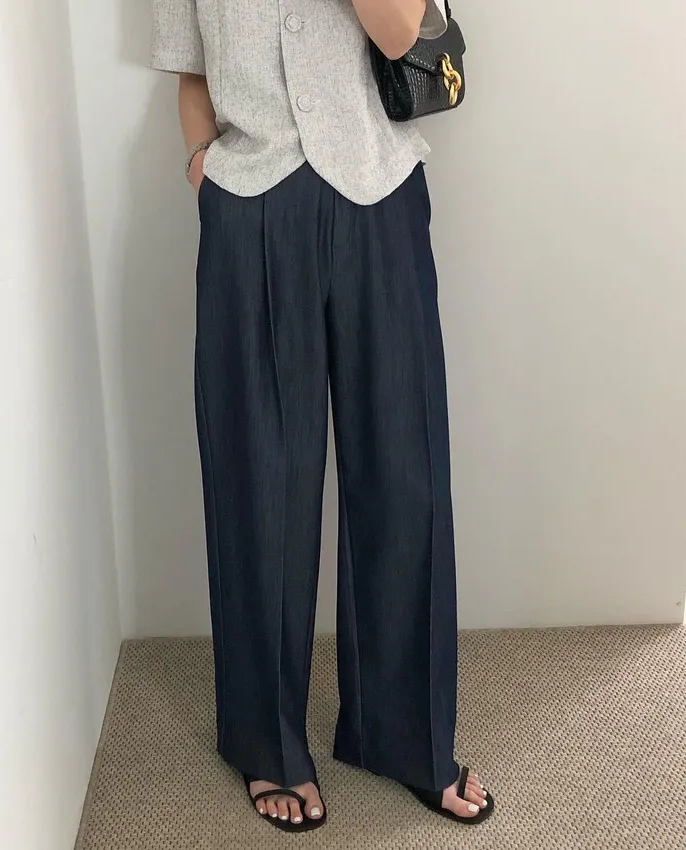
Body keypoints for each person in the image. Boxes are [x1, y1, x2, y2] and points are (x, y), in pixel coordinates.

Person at [151, 0, 495, 833]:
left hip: (379, 193)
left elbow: (402, 35)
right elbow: (189, 67)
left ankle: (404, 734)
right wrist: (202, 165)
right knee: (260, 482)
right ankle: (267, 743)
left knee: (404, 473)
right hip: (249, 202)